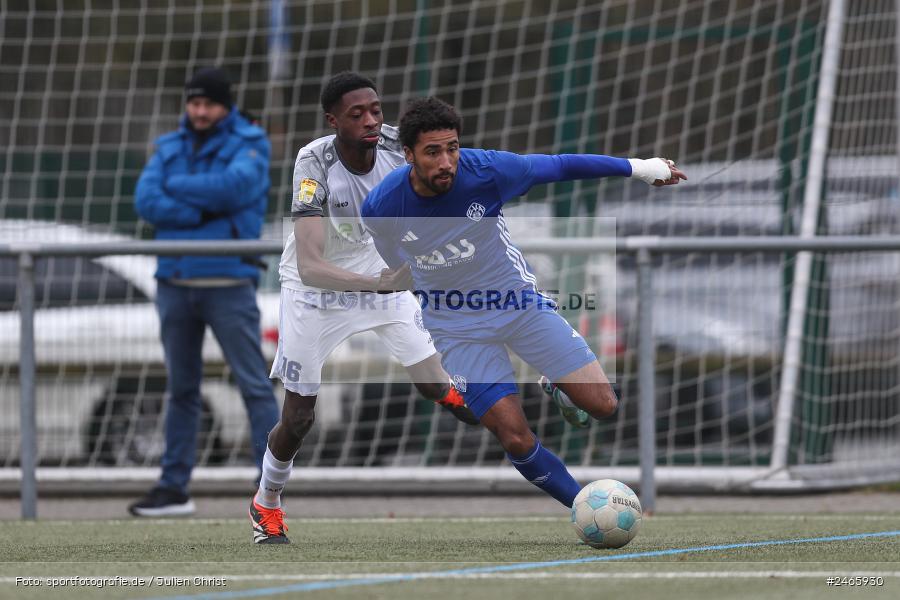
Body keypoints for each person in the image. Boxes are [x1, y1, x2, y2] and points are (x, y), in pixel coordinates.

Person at [360, 96, 686, 511]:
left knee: (603, 406)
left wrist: (641, 168)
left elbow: (562, 166)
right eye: (432, 152)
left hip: (517, 304)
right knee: (513, 434)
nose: (446, 161)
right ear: (408, 155)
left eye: (452, 148)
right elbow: (394, 256)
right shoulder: (382, 207)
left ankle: (556, 385)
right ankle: (585, 508)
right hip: (457, 329)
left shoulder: (488, 171)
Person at [248, 73, 478, 544]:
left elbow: (454, 181)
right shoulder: (313, 162)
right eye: (358, 114)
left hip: (381, 279)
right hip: (316, 293)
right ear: (334, 122)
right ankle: (266, 502)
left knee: (439, 386)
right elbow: (310, 265)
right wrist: (379, 282)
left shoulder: (402, 145)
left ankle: (501, 398)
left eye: (376, 109)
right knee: (299, 418)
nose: (373, 120)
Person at [130, 67, 280, 517]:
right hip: (173, 283)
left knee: (253, 384)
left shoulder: (251, 141)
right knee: (180, 389)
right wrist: (205, 213)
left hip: (228, 283)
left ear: (225, 105)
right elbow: (144, 199)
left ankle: (270, 486)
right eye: (193, 103)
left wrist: (177, 198)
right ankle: (174, 488)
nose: (199, 111)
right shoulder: (169, 144)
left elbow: (235, 188)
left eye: (208, 104)